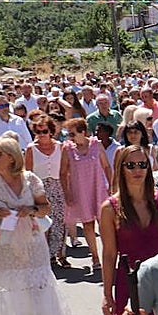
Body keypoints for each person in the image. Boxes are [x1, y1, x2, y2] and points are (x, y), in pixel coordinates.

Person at [0, 134, 71, 315]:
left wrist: (31, 210)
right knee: (18, 293)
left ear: (11, 157)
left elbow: (45, 208)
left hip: (32, 242)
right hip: (4, 247)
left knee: (40, 287)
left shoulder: (30, 179)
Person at [100, 145, 158, 315]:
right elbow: (109, 254)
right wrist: (107, 294)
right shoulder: (110, 208)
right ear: (121, 170)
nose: (137, 170)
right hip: (132, 284)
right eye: (131, 165)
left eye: (143, 164)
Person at [63, 117, 112, 273]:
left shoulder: (96, 145)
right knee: (87, 224)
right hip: (80, 191)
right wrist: (67, 193)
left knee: (105, 224)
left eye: (72, 134)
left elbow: (106, 166)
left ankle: (109, 255)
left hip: (98, 188)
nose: (70, 137)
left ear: (82, 132)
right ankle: (95, 257)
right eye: (69, 134)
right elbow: (63, 172)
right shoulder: (68, 149)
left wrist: (112, 186)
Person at [25, 112, 71, 266]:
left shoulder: (60, 147)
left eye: (44, 131)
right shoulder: (31, 149)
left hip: (57, 187)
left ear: (51, 131)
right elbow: (28, 173)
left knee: (59, 222)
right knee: (43, 223)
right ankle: (46, 255)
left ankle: (60, 254)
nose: (42, 135)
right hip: (40, 189)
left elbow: (64, 172)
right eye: (38, 131)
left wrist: (67, 192)